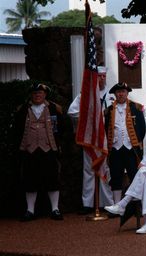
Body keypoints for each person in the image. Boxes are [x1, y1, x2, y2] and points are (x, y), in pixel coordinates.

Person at [67, 65, 114, 214]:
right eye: (99, 76)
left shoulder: (111, 95)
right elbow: (72, 112)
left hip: (107, 138)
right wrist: (90, 117)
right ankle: (87, 204)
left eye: (104, 76)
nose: (102, 79)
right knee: (88, 170)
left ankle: (106, 203)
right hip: (90, 138)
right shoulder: (84, 95)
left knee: (105, 169)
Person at [15, 83, 64, 221]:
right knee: (29, 180)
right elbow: (17, 130)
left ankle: (55, 209)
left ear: (45, 94)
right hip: (29, 150)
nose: (37, 95)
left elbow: (61, 129)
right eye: (35, 93)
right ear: (31, 95)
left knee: (52, 178)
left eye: (40, 93)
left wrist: (58, 145)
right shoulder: (23, 110)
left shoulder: (54, 109)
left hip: (48, 149)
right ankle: (30, 210)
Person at [104, 82, 146, 204]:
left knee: (134, 176)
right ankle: (117, 205)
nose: (121, 94)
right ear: (115, 94)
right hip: (116, 149)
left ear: (127, 93)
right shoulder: (108, 111)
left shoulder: (136, 108)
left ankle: (135, 206)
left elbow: (142, 129)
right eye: (118, 92)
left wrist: (135, 143)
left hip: (131, 148)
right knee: (116, 176)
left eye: (123, 91)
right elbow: (106, 129)